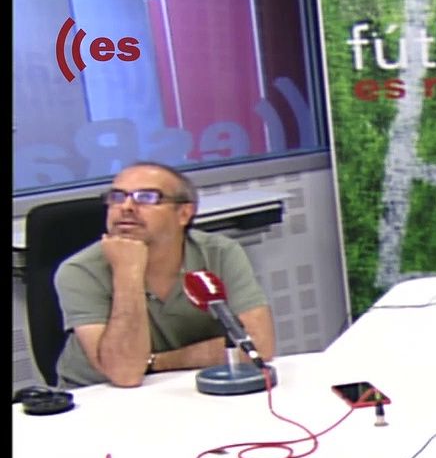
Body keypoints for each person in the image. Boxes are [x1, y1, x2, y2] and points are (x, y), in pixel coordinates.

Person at [54, 162, 276, 388]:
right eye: (117, 197)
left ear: (184, 213)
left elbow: (258, 346)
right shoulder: (80, 270)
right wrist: (127, 273)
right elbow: (126, 374)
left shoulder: (219, 253)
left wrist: (155, 362)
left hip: (188, 383)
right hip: (99, 394)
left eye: (146, 197)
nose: (126, 207)